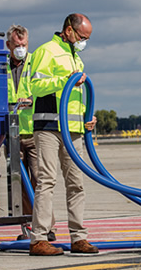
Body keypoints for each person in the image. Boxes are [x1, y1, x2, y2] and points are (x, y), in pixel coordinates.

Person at [28, 13, 98, 256]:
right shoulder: (46, 51)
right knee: (47, 181)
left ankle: (78, 238)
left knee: (76, 183)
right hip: (48, 127)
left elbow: (76, 99)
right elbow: (34, 86)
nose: (83, 42)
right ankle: (39, 238)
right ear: (69, 30)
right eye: (82, 36)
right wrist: (63, 81)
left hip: (74, 130)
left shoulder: (75, 58)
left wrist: (87, 119)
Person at [6, 25, 57, 241]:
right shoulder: (0, 66)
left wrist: (31, 101)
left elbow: (44, 88)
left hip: (34, 131)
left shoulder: (36, 61)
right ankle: (27, 227)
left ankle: (47, 228)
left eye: (24, 45)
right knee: (18, 185)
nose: (21, 49)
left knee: (40, 181)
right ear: (8, 45)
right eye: (17, 45)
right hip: (12, 134)